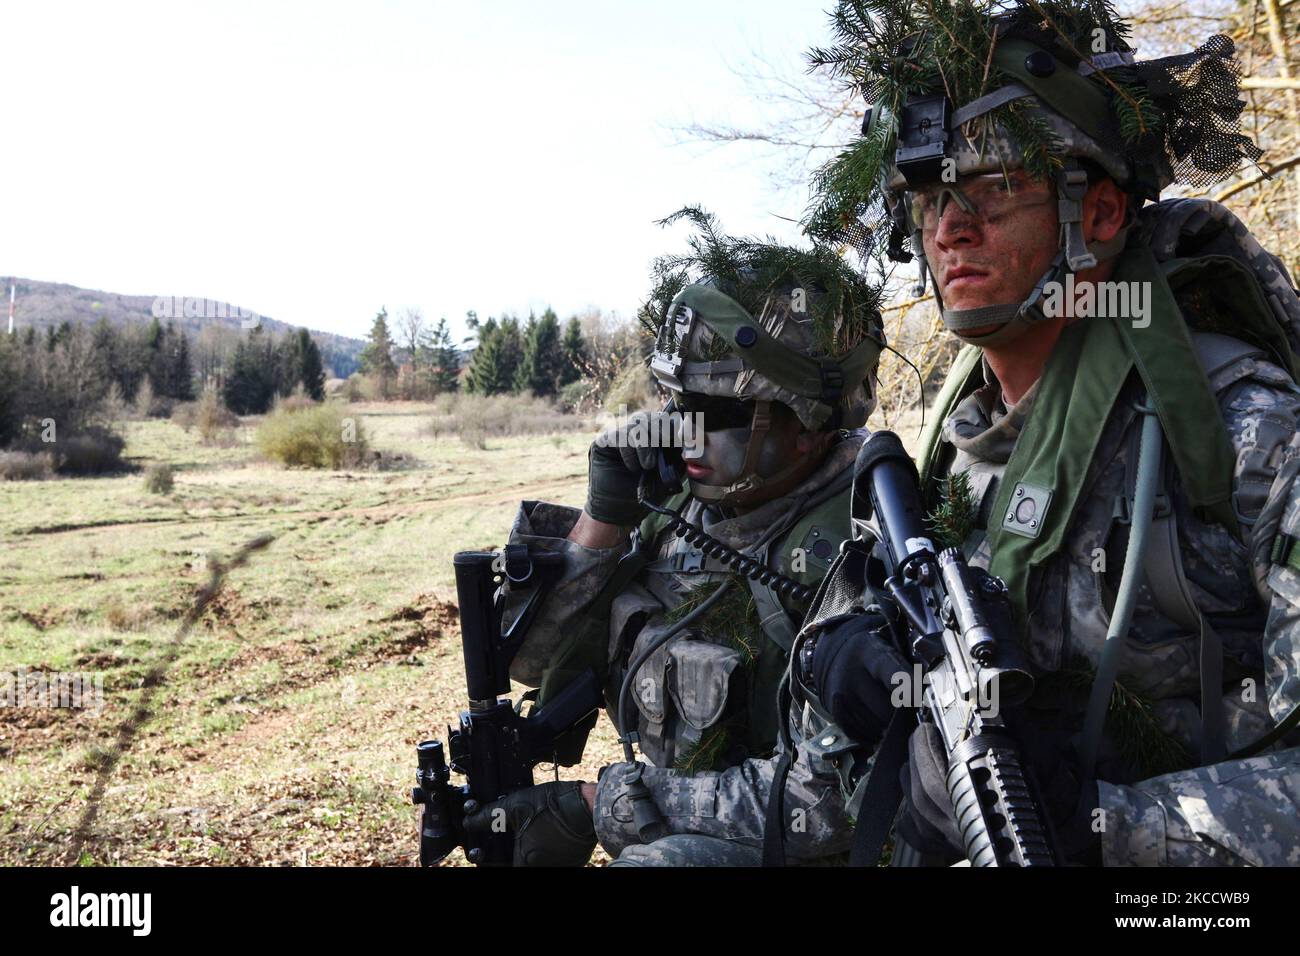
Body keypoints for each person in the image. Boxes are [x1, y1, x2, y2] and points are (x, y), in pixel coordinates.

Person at [462, 221, 886, 866]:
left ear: (809, 424)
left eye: (715, 413)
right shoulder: (673, 511)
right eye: (675, 404)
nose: (684, 431)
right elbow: (533, 665)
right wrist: (604, 519)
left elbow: (833, 804)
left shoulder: (865, 540)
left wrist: (598, 805)